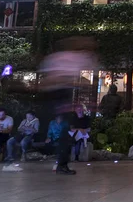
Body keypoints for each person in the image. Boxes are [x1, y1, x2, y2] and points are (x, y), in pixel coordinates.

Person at [39, 36, 98, 175]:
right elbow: (50, 80)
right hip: (55, 95)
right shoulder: (61, 58)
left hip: (62, 95)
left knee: (65, 132)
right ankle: (60, 163)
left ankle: (61, 163)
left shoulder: (72, 58)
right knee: (61, 132)